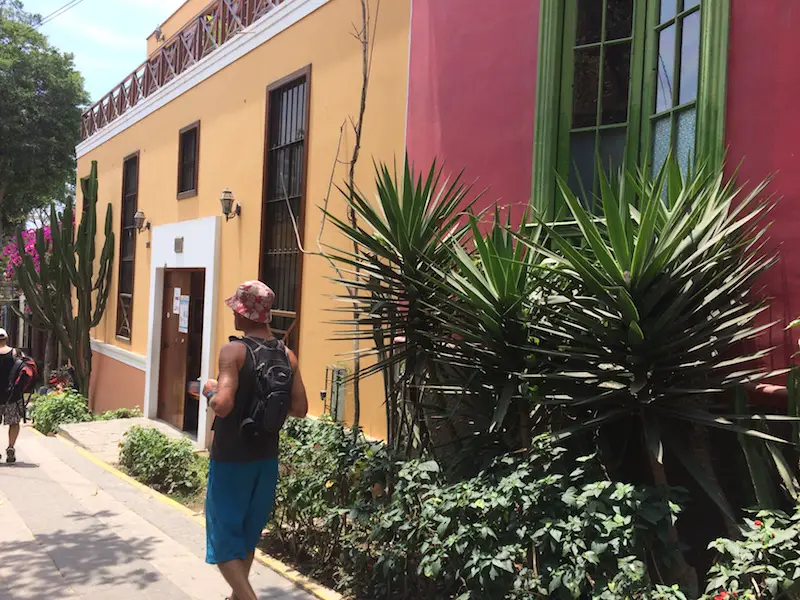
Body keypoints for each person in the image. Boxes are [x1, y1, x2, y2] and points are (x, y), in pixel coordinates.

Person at [202, 281, 308, 600]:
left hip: (231, 458)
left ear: (244, 314)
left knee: (222, 540)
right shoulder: (287, 355)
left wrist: (208, 390)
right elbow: (301, 409)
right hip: (266, 459)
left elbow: (222, 405)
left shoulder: (233, 351)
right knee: (247, 536)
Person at [0, 329, 19, 464]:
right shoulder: (14, 352)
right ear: (6, 338)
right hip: (10, 395)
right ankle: (11, 446)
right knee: (13, 422)